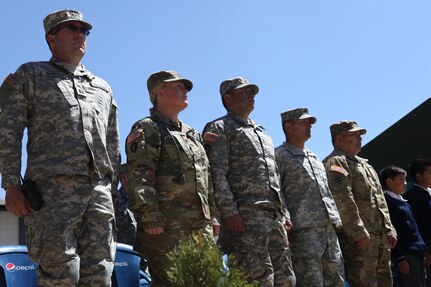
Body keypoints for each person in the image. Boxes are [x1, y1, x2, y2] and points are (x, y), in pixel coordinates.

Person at [0, 9, 120, 286]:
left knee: (100, 275)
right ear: (51, 39)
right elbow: (8, 130)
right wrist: (10, 184)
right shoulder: (31, 74)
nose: (80, 34)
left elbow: (112, 143)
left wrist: (111, 192)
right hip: (52, 192)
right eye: (71, 29)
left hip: (99, 195)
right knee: (61, 276)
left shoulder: (102, 87)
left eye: (84, 30)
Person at [126, 70, 220, 287]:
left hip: (200, 227)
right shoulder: (147, 128)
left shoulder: (192, 134)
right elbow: (140, 175)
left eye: (185, 87)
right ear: (159, 92)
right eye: (178, 86)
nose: (185, 90)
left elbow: (206, 178)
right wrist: (150, 217)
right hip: (168, 227)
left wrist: (213, 216)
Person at [202, 77, 296, 286]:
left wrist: (284, 212)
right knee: (256, 279)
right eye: (244, 92)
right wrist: (230, 212)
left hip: (274, 217)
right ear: (228, 98)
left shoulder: (262, 132)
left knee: (286, 278)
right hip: (246, 216)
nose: (251, 96)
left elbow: (274, 178)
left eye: (252, 92)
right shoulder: (220, 127)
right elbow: (217, 174)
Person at [275, 108, 344, 287]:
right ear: (288, 126)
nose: (309, 126)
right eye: (303, 123)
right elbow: (276, 191)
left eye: (310, 123)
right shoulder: (279, 156)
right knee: (310, 281)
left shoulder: (314, 157)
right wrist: (284, 220)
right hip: (304, 230)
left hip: (328, 228)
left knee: (336, 280)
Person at [323, 120, 397, 287]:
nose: (359, 138)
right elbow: (343, 199)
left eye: (359, 135)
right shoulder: (336, 163)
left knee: (386, 281)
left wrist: (389, 228)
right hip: (362, 238)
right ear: (339, 139)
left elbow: (380, 200)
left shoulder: (365, 164)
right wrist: (358, 233)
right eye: (353, 135)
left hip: (380, 236)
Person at [379, 165, 426, 287]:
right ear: (389, 181)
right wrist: (400, 258)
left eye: (405, 179)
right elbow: (392, 231)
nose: (405, 183)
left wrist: (423, 251)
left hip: (417, 253)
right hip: (407, 256)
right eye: (401, 179)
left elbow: (414, 229)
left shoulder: (403, 201)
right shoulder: (388, 202)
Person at [403, 159, 431, 287]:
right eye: (429, 173)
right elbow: (412, 226)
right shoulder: (412, 196)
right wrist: (424, 251)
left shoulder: (428, 192)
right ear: (419, 176)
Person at [114, 164, 137, 245]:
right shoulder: (114, 199)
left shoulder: (140, 200)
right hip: (120, 251)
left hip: (138, 252)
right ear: (123, 178)